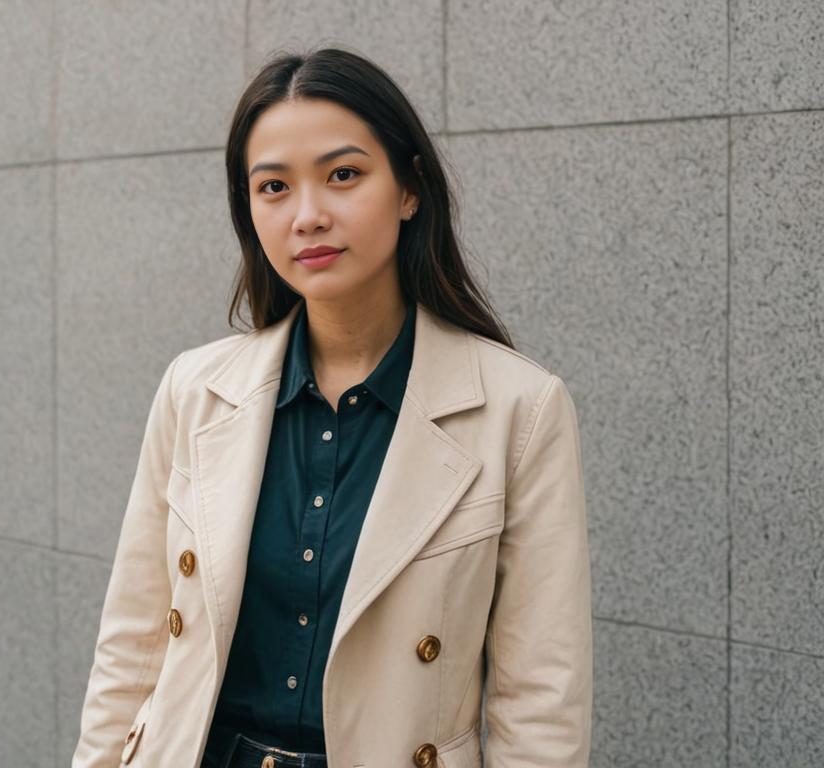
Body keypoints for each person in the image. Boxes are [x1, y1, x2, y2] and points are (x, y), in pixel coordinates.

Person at [72, 46, 592, 768]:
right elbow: (131, 646)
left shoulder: (519, 410)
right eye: (274, 187)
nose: (308, 216)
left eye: (343, 175)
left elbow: (541, 699)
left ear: (410, 189)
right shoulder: (194, 391)